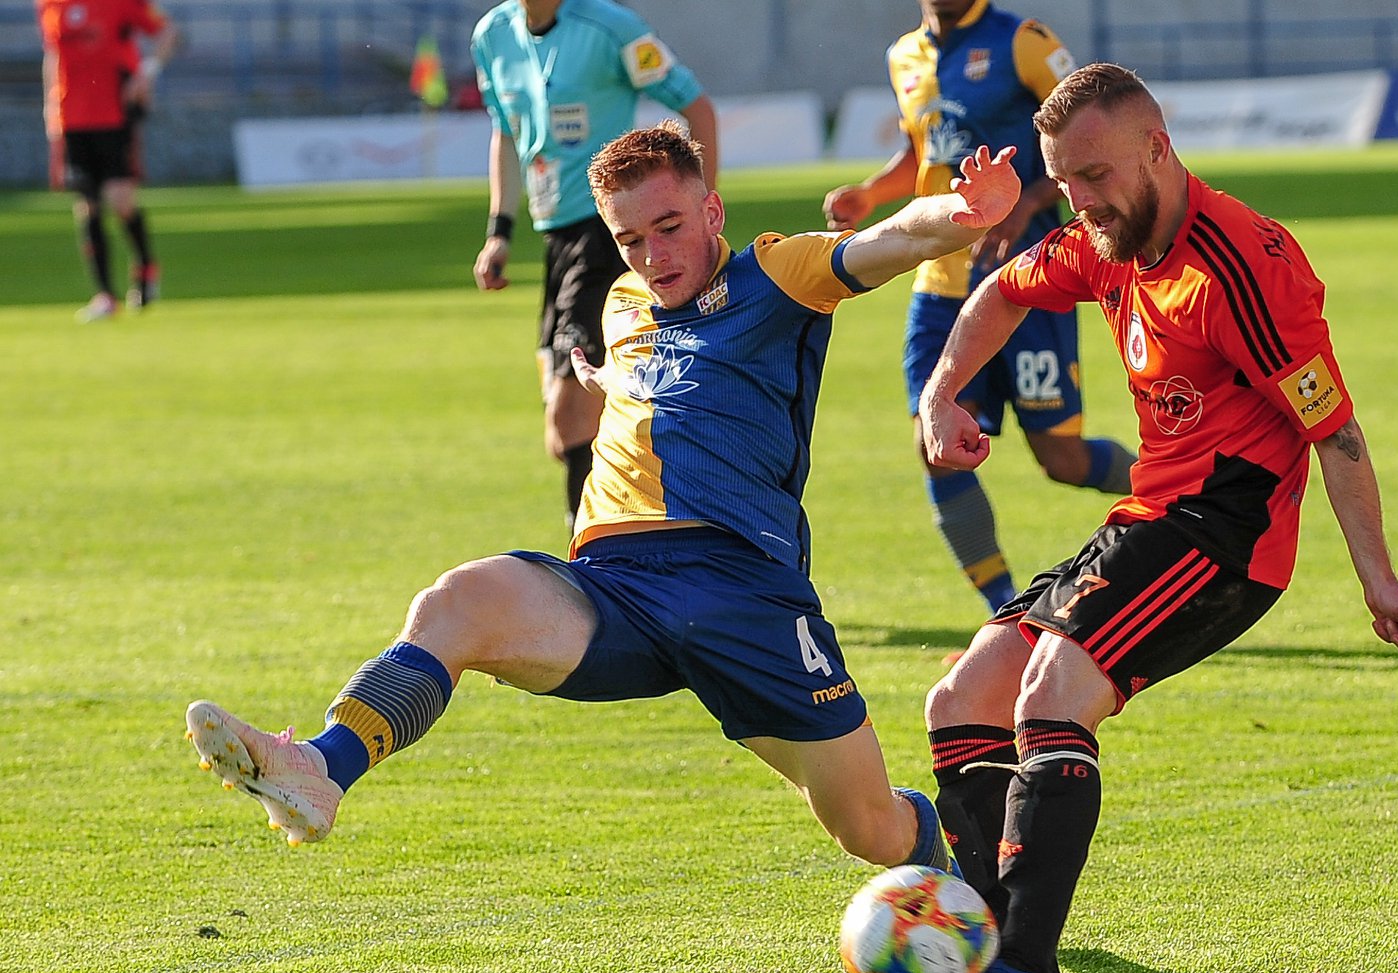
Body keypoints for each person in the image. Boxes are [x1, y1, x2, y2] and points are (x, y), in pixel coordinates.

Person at [184, 126, 1025, 894]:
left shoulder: (777, 275)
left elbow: (891, 241)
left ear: (712, 211)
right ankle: (320, 768)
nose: (653, 255)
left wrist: (963, 212)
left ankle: (969, 888)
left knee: (867, 826)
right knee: (459, 600)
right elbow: (646, 377)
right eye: (630, 238)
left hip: (743, 592)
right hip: (615, 587)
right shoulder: (623, 303)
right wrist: (608, 381)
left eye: (669, 226)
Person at [903, 63, 1398, 973]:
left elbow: (1334, 431)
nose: (1080, 202)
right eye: (1064, 182)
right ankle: (984, 953)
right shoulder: (1103, 240)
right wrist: (941, 393)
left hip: (1227, 536)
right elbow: (1000, 292)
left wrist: (1379, 580)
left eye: (1095, 176)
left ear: (1157, 147)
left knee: (1051, 697)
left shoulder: (1244, 266)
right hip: (1146, 519)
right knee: (961, 699)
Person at [823, 0, 1134, 614]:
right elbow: (926, 152)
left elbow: (1088, 136)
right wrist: (871, 193)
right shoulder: (904, 55)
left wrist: (1027, 203)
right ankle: (1005, 609)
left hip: (1030, 281)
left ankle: (1184, 489)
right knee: (935, 445)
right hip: (941, 285)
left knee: (1062, 459)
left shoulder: (1025, 41)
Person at [470, 0, 720, 530]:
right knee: (566, 433)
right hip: (554, 237)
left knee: (570, 417)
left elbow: (697, 108)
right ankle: (659, 517)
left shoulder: (611, 28)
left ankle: (595, 558)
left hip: (609, 236)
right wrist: (499, 231)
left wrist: (698, 214)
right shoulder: (492, 35)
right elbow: (507, 133)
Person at [36, 0, 177, 323]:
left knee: (120, 201)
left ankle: (145, 266)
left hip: (115, 114)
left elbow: (168, 32)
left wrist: (146, 73)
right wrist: (50, 109)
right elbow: (52, 55)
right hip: (72, 118)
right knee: (88, 205)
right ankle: (105, 296)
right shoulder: (50, 4)